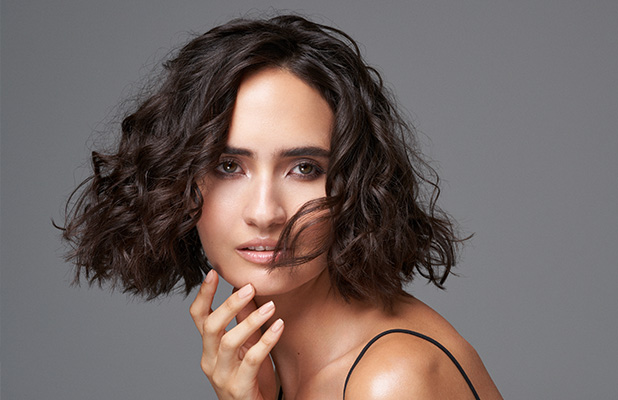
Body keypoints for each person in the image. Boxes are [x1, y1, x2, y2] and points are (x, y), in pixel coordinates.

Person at [61, 14, 502, 399]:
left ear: (356, 183)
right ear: (177, 179)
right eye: (228, 166)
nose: (264, 213)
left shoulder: (388, 381)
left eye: (304, 168)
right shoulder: (286, 370)